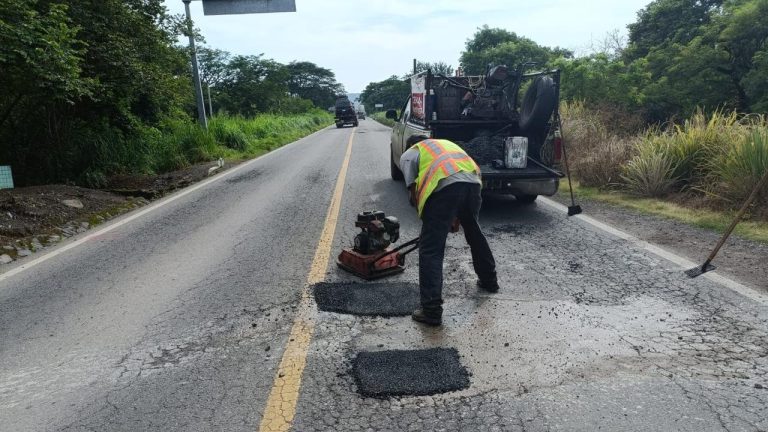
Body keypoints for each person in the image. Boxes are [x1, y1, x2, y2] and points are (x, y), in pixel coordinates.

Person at [400, 134, 499, 326]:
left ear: (412, 144)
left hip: (446, 187)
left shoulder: (409, 154)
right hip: (473, 182)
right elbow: (459, 182)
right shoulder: (445, 145)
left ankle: (431, 310)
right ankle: (490, 281)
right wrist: (453, 216)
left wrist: (431, 225)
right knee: (474, 234)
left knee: (431, 249)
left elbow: (414, 195)